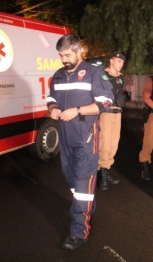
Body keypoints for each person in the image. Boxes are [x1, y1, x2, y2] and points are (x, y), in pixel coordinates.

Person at [47, 34, 114, 250]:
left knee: (83, 183)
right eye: (60, 55)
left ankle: (79, 231)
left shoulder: (94, 73)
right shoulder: (57, 76)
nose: (64, 59)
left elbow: (105, 102)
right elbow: (51, 100)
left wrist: (77, 111)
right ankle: (86, 207)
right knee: (72, 180)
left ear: (79, 52)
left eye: (67, 55)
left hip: (86, 136)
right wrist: (53, 110)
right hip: (65, 138)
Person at [97, 52, 129, 190]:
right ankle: (102, 176)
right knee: (104, 143)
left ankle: (106, 170)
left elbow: (121, 93)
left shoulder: (121, 77)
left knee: (113, 145)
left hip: (118, 114)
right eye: (118, 61)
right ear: (111, 61)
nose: (120, 64)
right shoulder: (101, 75)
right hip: (106, 113)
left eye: (122, 62)